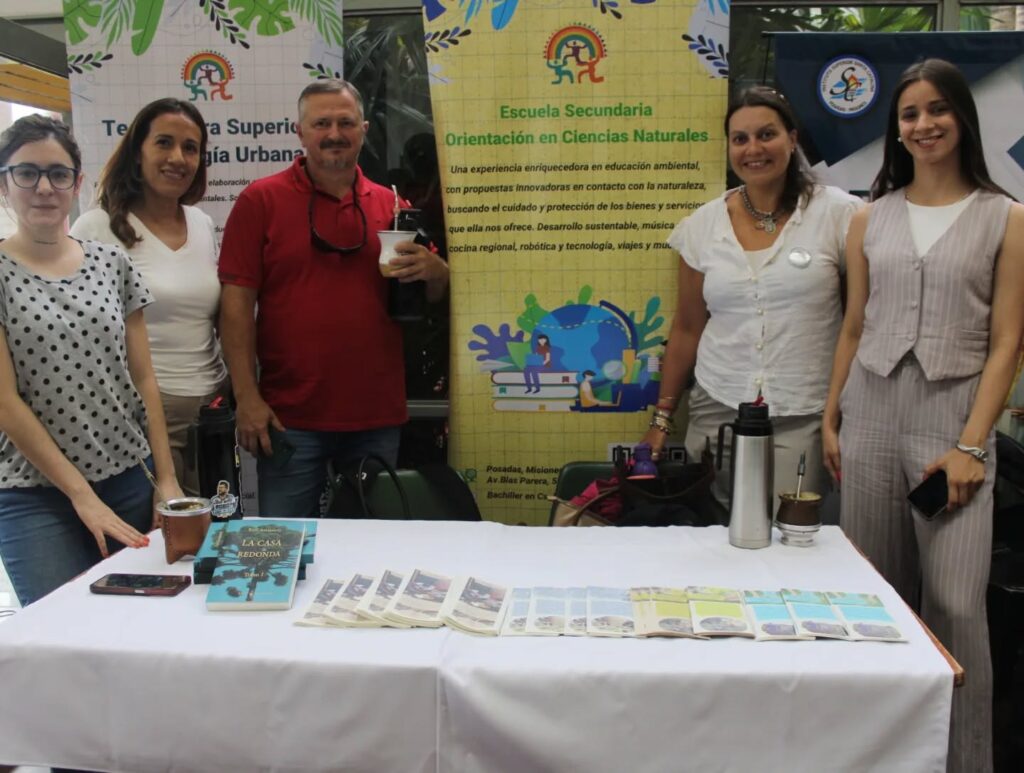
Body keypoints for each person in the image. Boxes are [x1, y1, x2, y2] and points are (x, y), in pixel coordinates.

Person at [822, 59, 1023, 772]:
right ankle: (869, 755)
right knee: (871, 598)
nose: (924, 124)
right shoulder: (869, 216)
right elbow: (854, 325)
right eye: (910, 113)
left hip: (951, 422)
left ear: (962, 117)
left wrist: (972, 445)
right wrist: (832, 416)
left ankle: (964, 761)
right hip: (870, 412)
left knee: (955, 606)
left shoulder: (1007, 218)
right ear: (896, 127)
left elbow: (1008, 342)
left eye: (938, 109)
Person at [218, 79, 449, 518]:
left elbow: (430, 293)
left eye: (345, 122)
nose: (334, 133)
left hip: (375, 417)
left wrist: (437, 272)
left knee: (370, 546)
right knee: (284, 544)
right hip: (288, 418)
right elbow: (235, 307)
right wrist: (246, 397)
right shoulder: (259, 201)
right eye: (321, 123)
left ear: (364, 129)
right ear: (299, 132)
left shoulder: (392, 205)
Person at [643, 86, 861, 507]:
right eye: (740, 139)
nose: (753, 149)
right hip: (717, 406)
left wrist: (841, 411)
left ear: (792, 139)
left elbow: (858, 324)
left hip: (803, 412)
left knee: (789, 530)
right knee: (711, 529)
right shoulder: (702, 226)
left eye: (767, 134)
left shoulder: (841, 215)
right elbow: (687, 328)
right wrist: (661, 420)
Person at [0, 115, 181, 606]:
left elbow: (144, 379)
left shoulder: (111, 263)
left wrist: (166, 479)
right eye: (26, 173)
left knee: (140, 623)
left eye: (58, 174)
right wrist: (81, 495)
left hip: (128, 478)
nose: (44, 187)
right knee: (60, 631)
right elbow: (5, 403)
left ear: (77, 184)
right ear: (4, 184)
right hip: (34, 494)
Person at [70, 99, 227, 497]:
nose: (178, 158)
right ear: (137, 152)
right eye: (164, 143)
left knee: (215, 529)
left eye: (190, 148)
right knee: (160, 533)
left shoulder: (202, 223)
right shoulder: (97, 227)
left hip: (211, 411)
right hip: (142, 417)